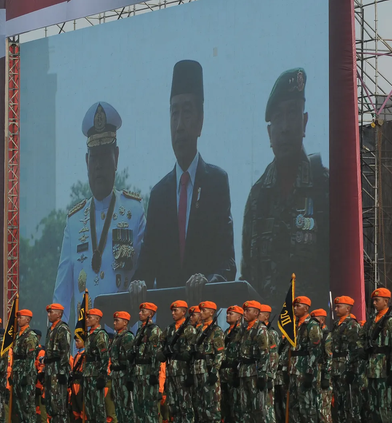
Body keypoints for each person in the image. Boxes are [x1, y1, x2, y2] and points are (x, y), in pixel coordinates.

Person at [130, 60, 236, 306]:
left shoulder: (217, 184)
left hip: (204, 326)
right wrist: (138, 283)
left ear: (200, 121)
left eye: (187, 112)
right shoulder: (159, 194)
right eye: (174, 113)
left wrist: (209, 281)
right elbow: (146, 268)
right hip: (168, 329)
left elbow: (228, 263)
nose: (179, 126)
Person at [241, 68, 329, 311]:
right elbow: (248, 278)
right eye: (278, 118)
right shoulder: (257, 198)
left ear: (304, 122)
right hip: (267, 342)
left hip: (315, 338)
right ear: (269, 133)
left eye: (292, 114)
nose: (285, 127)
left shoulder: (324, 187)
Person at [53, 101, 146, 322]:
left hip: (122, 344)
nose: (98, 166)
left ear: (116, 158)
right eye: (94, 158)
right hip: (84, 347)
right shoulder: (74, 222)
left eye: (105, 156)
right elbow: (62, 295)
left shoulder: (134, 212)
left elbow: (146, 278)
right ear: (87, 162)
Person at [358, 288, 392, 423]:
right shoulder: (371, 320)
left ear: (386, 301)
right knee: (373, 405)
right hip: (371, 368)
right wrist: (361, 350)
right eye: (373, 300)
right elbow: (361, 338)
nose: (374, 303)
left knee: (385, 405)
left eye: (377, 300)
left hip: (385, 368)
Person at [158, 300, 197, 422]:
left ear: (184, 312)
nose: (173, 313)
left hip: (183, 372)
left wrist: (190, 374)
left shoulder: (189, 329)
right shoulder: (169, 329)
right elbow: (160, 346)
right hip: (171, 373)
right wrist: (164, 353)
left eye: (176, 310)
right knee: (173, 406)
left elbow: (192, 353)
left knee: (186, 406)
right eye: (172, 311)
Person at [288, 296, 322, 423]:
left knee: (307, 406)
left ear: (306, 308)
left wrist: (309, 371)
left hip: (305, 370)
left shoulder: (312, 325)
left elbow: (316, 349)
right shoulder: (294, 325)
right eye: (294, 306)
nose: (295, 309)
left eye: (298, 306)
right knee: (294, 405)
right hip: (294, 370)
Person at [128, 302, 162, 423]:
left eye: (143, 311)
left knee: (149, 408)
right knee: (138, 407)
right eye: (140, 311)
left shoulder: (154, 330)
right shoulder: (140, 330)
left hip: (148, 373)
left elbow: (156, 353)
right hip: (138, 373)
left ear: (151, 314)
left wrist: (154, 373)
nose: (140, 313)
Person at [191, 301, 224, 423]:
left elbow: (220, 353)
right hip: (197, 370)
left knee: (212, 405)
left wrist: (214, 371)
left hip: (208, 370)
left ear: (212, 312)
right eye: (201, 310)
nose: (201, 312)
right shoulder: (198, 329)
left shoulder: (216, 330)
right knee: (199, 406)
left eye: (204, 310)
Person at [238, 300, 269, 423]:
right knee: (244, 408)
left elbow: (265, 354)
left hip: (255, 373)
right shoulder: (244, 330)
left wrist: (262, 375)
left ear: (256, 313)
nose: (244, 313)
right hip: (244, 372)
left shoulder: (261, 330)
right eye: (244, 310)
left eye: (248, 310)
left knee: (258, 408)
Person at [331, 296, 360, 423]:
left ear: (348, 308)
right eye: (336, 306)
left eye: (339, 306)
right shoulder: (336, 325)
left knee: (349, 402)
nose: (336, 309)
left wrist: (352, 370)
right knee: (338, 401)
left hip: (346, 365)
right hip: (336, 366)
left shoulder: (352, 324)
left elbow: (354, 349)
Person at [44, 304, 71, 423]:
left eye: (51, 312)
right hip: (50, 369)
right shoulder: (50, 329)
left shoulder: (62, 329)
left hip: (58, 369)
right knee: (50, 402)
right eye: (48, 312)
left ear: (59, 314)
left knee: (59, 403)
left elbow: (65, 351)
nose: (49, 315)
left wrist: (62, 371)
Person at [11, 309, 38, 423]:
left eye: (21, 317)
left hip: (25, 374)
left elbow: (30, 358)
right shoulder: (18, 335)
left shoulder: (30, 335)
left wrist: (26, 376)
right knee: (18, 405)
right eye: (18, 317)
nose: (18, 320)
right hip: (17, 371)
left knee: (27, 405)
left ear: (27, 319)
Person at [83, 308, 109, 423]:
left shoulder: (100, 334)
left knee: (98, 407)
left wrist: (102, 376)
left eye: (90, 317)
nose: (87, 320)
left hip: (96, 374)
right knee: (89, 407)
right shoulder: (90, 334)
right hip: (88, 373)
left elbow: (104, 356)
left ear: (97, 319)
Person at [109, 311, 135, 422]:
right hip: (116, 375)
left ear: (125, 322)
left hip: (124, 375)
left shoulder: (127, 337)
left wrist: (130, 379)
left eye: (117, 321)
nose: (114, 323)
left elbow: (130, 359)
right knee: (118, 407)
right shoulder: (116, 337)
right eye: (114, 320)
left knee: (127, 407)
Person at [220, 305, 243, 423]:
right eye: (227, 314)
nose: (228, 316)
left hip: (234, 372)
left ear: (239, 317)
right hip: (224, 373)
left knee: (236, 405)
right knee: (225, 405)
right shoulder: (225, 332)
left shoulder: (241, 332)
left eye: (231, 314)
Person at [310, 309, 332, 423]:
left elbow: (329, 357)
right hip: (316, 373)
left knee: (324, 408)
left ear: (322, 320)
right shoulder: (316, 335)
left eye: (316, 320)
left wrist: (326, 376)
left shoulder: (326, 335)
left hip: (323, 373)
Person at [259, 304, 279, 423]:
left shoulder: (271, 333)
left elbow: (273, 355)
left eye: (260, 313)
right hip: (259, 374)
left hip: (268, 375)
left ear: (266, 316)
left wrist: (271, 375)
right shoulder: (258, 331)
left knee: (268, 407)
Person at [32, 329, 47, 423]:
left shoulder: (41, 352)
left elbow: (41, 370)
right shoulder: (30, 350)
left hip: (38, 385)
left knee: (41, 410)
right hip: (30, 383)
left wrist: (38, 386)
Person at [69, 336, 85, 423]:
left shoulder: (85, 355)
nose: (76, 343)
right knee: (75, 409)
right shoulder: (76, 356)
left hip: (80, 383)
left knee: (81, 407)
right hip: (74, 383)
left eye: (78, 341)